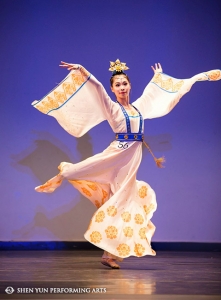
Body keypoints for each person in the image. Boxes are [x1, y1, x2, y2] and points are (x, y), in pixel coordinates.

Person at [32, 59, 220, 269]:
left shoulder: (138, 109)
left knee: (121, 202)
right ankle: (65, 173)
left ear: (130, 86)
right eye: (117, 85)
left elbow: (151, 95)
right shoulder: (112, 107)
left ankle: (108, 254)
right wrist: (83, 70)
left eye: (124, 84)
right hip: (117, 155)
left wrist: (157, 78)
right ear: (113, 89)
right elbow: (97, 88)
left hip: (130, 161)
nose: (122, 87)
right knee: (114, 196)